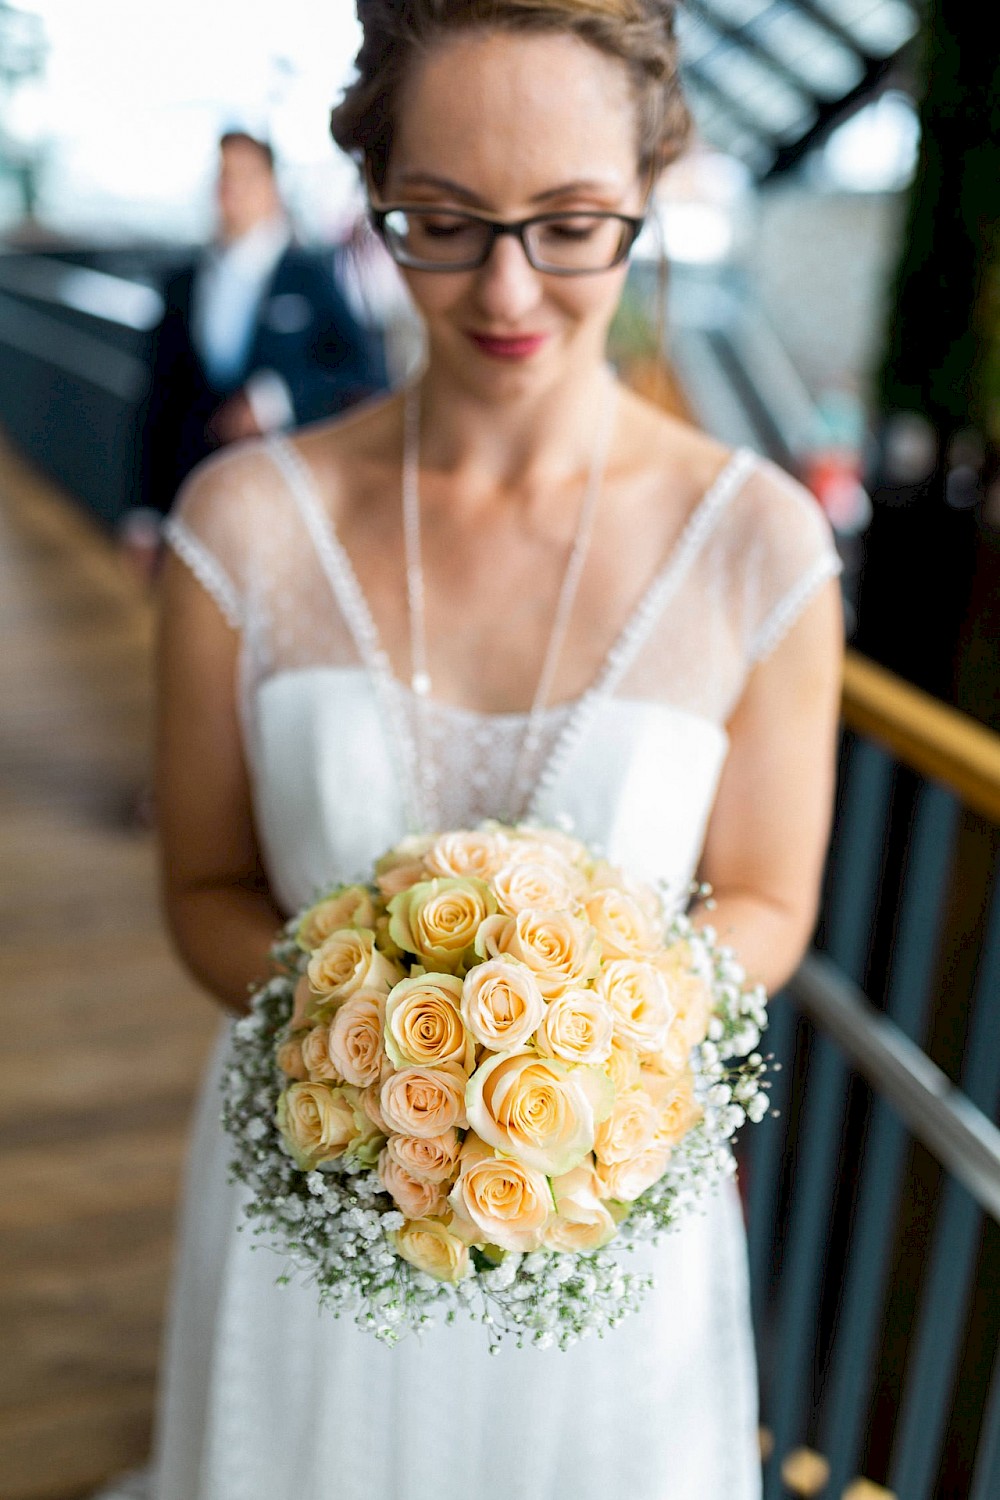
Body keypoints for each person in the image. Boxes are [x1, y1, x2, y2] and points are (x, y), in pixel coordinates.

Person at [112, 4, 844, 1497]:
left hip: (609, 1216)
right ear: (376, 194)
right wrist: (365, 1054)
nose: (507, 288)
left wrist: (594, 1033)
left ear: (650, 187)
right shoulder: (241, 527)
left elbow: (768, 900)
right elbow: (201, 886)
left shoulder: (758, 543)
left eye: (571, 225)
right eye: (440, 225)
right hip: (299, 1199)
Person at [135, 130, 386, 519]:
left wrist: (279, 399)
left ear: (271, 187)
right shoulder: (183, 282)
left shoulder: (311, 275)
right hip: (197, 493)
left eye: (245, 176)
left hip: (286, 496)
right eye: (223, 176)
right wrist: (144, 511)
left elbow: (365, 372)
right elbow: (157, 401)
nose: (231, 189)